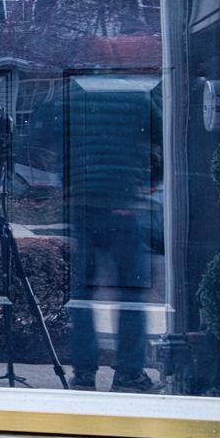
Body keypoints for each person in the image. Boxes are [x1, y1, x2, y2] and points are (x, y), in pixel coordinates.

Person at [64, 76, 162, 392]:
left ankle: (83, 374)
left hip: (83, 205)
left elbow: (46, 139)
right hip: (124, 206)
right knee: (131, 294)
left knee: (82, 293)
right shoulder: (136, 98)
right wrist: (147, 177)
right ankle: (129, 374)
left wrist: (71, 185)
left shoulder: (73, 97)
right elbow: (163, 137)